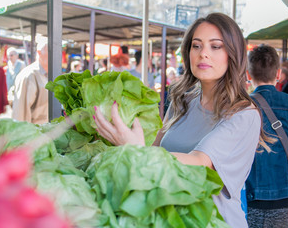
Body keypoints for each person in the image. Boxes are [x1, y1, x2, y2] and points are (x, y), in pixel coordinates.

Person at [93, 13, 271, 227]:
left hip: (215, 222)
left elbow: (199, 163)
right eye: (196, 46)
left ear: (233, 54)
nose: (203, 54)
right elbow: (153, 149)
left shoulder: (244, 114)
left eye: (215, 46)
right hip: (171, 217)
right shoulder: (182, 100)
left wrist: (136, 148)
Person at [245, 45, 288, 228]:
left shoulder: (241, 106)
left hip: (248, 196)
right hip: (282, 196)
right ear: (278, 74)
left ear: (248, 75)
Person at [12, 40, 48, 124]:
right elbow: (20, 115)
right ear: (39, 53)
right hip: (35, 133)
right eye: (51, 52)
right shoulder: (29, 75)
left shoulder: (50, 74)